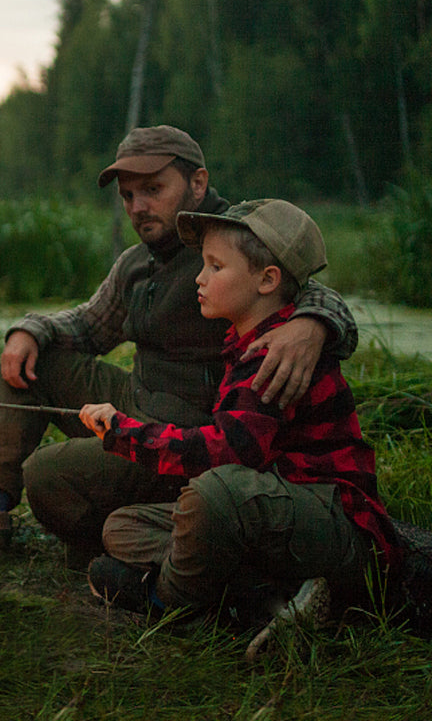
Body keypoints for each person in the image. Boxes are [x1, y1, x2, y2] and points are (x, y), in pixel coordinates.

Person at [0, 126, 358, 564]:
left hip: (196, 434)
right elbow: (87, 325)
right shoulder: (137, 262)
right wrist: (29, 329)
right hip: (135, 402)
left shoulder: (234, 238)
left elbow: (307, 285)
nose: (138, 207)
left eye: (153, 190)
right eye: (128, 196)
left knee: (46, 476)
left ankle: (133, 536)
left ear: (197, 183)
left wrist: (313, 323)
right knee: (30, 359)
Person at [80, 199, 400, 641]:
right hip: (271, 514)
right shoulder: (243, 338)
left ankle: (179, 608)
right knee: (123, 526)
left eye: (215, 267)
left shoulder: (278, 355)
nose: (199, 278)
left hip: (334, 523)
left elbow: (226, 453)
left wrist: (123, 431)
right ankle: (272, 599)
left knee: (213, 494)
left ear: (267, 280)